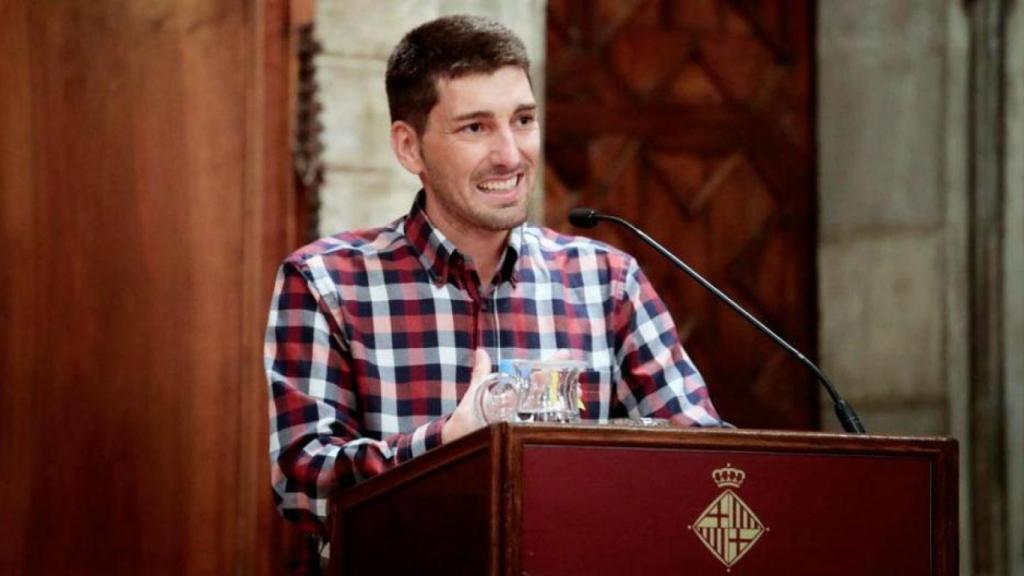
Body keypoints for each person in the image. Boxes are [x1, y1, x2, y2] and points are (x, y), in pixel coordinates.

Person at [265, 13, 723, 545]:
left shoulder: (607, 281)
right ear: (409, 146)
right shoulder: (327, 283)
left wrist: (610, 450)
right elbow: (302, 487)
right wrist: (448, 445)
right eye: (475, 127)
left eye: (523, 120)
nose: (511, 154)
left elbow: (704, 459)